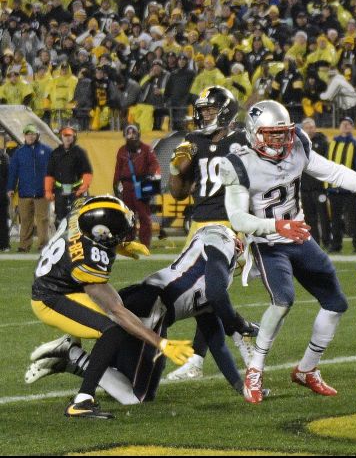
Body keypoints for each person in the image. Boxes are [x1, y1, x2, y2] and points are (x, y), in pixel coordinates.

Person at [220, 100, 356, 404]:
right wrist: (275, 226)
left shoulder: (299, 146)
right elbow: (238, 218)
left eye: (283, 133)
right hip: (267, 242)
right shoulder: (238, 162)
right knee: (283, 301)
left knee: (335, 303)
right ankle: (255, 369)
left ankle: (307, 369)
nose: (280, 141)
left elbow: (335, 173)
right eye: (272, 134)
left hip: (299, 236)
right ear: (255, 134)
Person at [25, 224, 258, 405]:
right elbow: (217, 294)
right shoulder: (223, 240)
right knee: (136, 397)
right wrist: (239, 323)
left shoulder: (212, 275)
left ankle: (71, 360)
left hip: (149, 305)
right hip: (151, 309)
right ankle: (73, 355)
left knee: (128, 377)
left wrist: (242, 388)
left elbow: (215, 340)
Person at [28, 195, 193, 419]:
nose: (126, 231)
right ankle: (82, 400)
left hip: (63, 280)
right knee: (113, 328)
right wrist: (160, 342)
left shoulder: (81, 212)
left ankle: (72, 354)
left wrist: (121, 244)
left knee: (117, 321)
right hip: (51, 298)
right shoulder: (87, 261)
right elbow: (116, 310)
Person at [165, 85, 248, 381]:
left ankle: (236, 333)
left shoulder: (242, 140)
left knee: (212, 291)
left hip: (229, 223)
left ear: (225, 111)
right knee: (204, 294)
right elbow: (177, 193)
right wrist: (176, 168)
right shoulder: (194, 140)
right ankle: (202, 357)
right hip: (198, 224)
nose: (205, 116)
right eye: (203, 111)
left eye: (211, 110)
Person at [112, 124, 160, 248]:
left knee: (144, 215)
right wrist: (115, 183)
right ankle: (129, 242)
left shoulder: (146, 149)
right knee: (128, 216)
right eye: (129, 133)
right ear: (125, 135)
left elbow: (154, 164)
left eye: (133, 133)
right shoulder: (122, 150)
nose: (131, 136)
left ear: (138, 134)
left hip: (142, 184)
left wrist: (149, 176)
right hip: (127, 186)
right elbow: (118, 169)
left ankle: (144, 244)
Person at [6, 123, 51, 252]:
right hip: (24, 192)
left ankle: (43, 246)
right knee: (25, 220)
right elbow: (13, 172)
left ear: (37, 135)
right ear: (24, 136)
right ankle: (24, 246)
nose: (30, 137)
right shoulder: (19, 153)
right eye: (28, 134)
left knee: (43, 220)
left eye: (32, 134)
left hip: (42, 192)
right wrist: (10, 188)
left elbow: (53, 171)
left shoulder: (47, 151)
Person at [326, 116, 356, 253]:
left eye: (349, 124)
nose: (346, 126)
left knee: (355, 219)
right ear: (339, 126)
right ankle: (335, 245)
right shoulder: (332, 143)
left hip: (349, 189)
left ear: (352, 127)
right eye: (343, 123)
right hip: (333, 189)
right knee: (335, 220)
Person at [45, 126, 93, 226]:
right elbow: (49, 174)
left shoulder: (80, 152)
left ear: (73, 137)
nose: (67, 138)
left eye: (69, 135)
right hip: (60, 191)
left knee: (78, 215)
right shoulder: (55, 153)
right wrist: (48, 191)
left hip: (76, 191)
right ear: (61, 137)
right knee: (60, 217)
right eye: (65, 135)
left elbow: (87, 172)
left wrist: (84, 187)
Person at [299, 117, 332, 248]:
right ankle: (315, 242)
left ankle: (328, 241)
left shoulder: (323, 142)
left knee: (323, 216)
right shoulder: (299, 143)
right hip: (305, 187)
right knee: (309, 216)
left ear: (315, 128)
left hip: (319, 187)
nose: (309, 130)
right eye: (306, 127)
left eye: (311, 127)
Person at [0, 135, 8, 251]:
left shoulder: (3, 156)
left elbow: (7, 175)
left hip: (1, 193)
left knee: (2, 219)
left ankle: (4, 244)